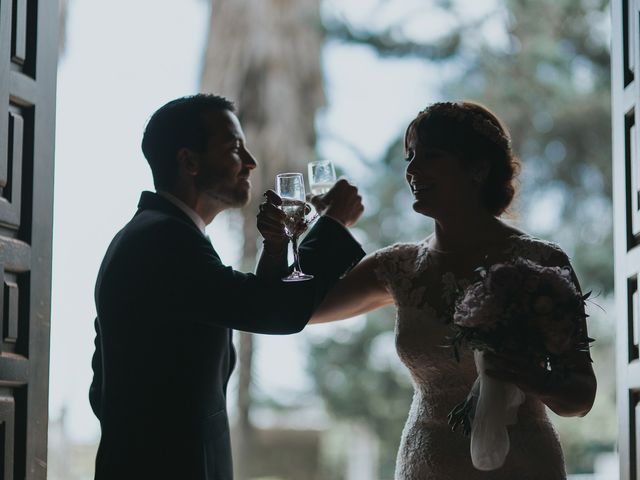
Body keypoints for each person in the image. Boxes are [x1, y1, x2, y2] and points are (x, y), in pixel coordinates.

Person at [309, 101, 597, 479]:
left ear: (478, 168)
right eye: (411, 157)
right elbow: (303, 310)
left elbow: (581, 397)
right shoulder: (398, 267)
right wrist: (321, 229)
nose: (412, 169)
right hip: (426, 465)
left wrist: (533, 377)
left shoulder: (541, 262)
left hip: (522, 466)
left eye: (431, 155)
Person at [89, 94, 365, 480]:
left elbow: (252, 303)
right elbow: (274, 312)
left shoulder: (155, 233)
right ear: (189, 161)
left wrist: (276, 246)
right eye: (235, 148)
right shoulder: (165, 241)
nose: (250, 162)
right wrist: (334, 225)